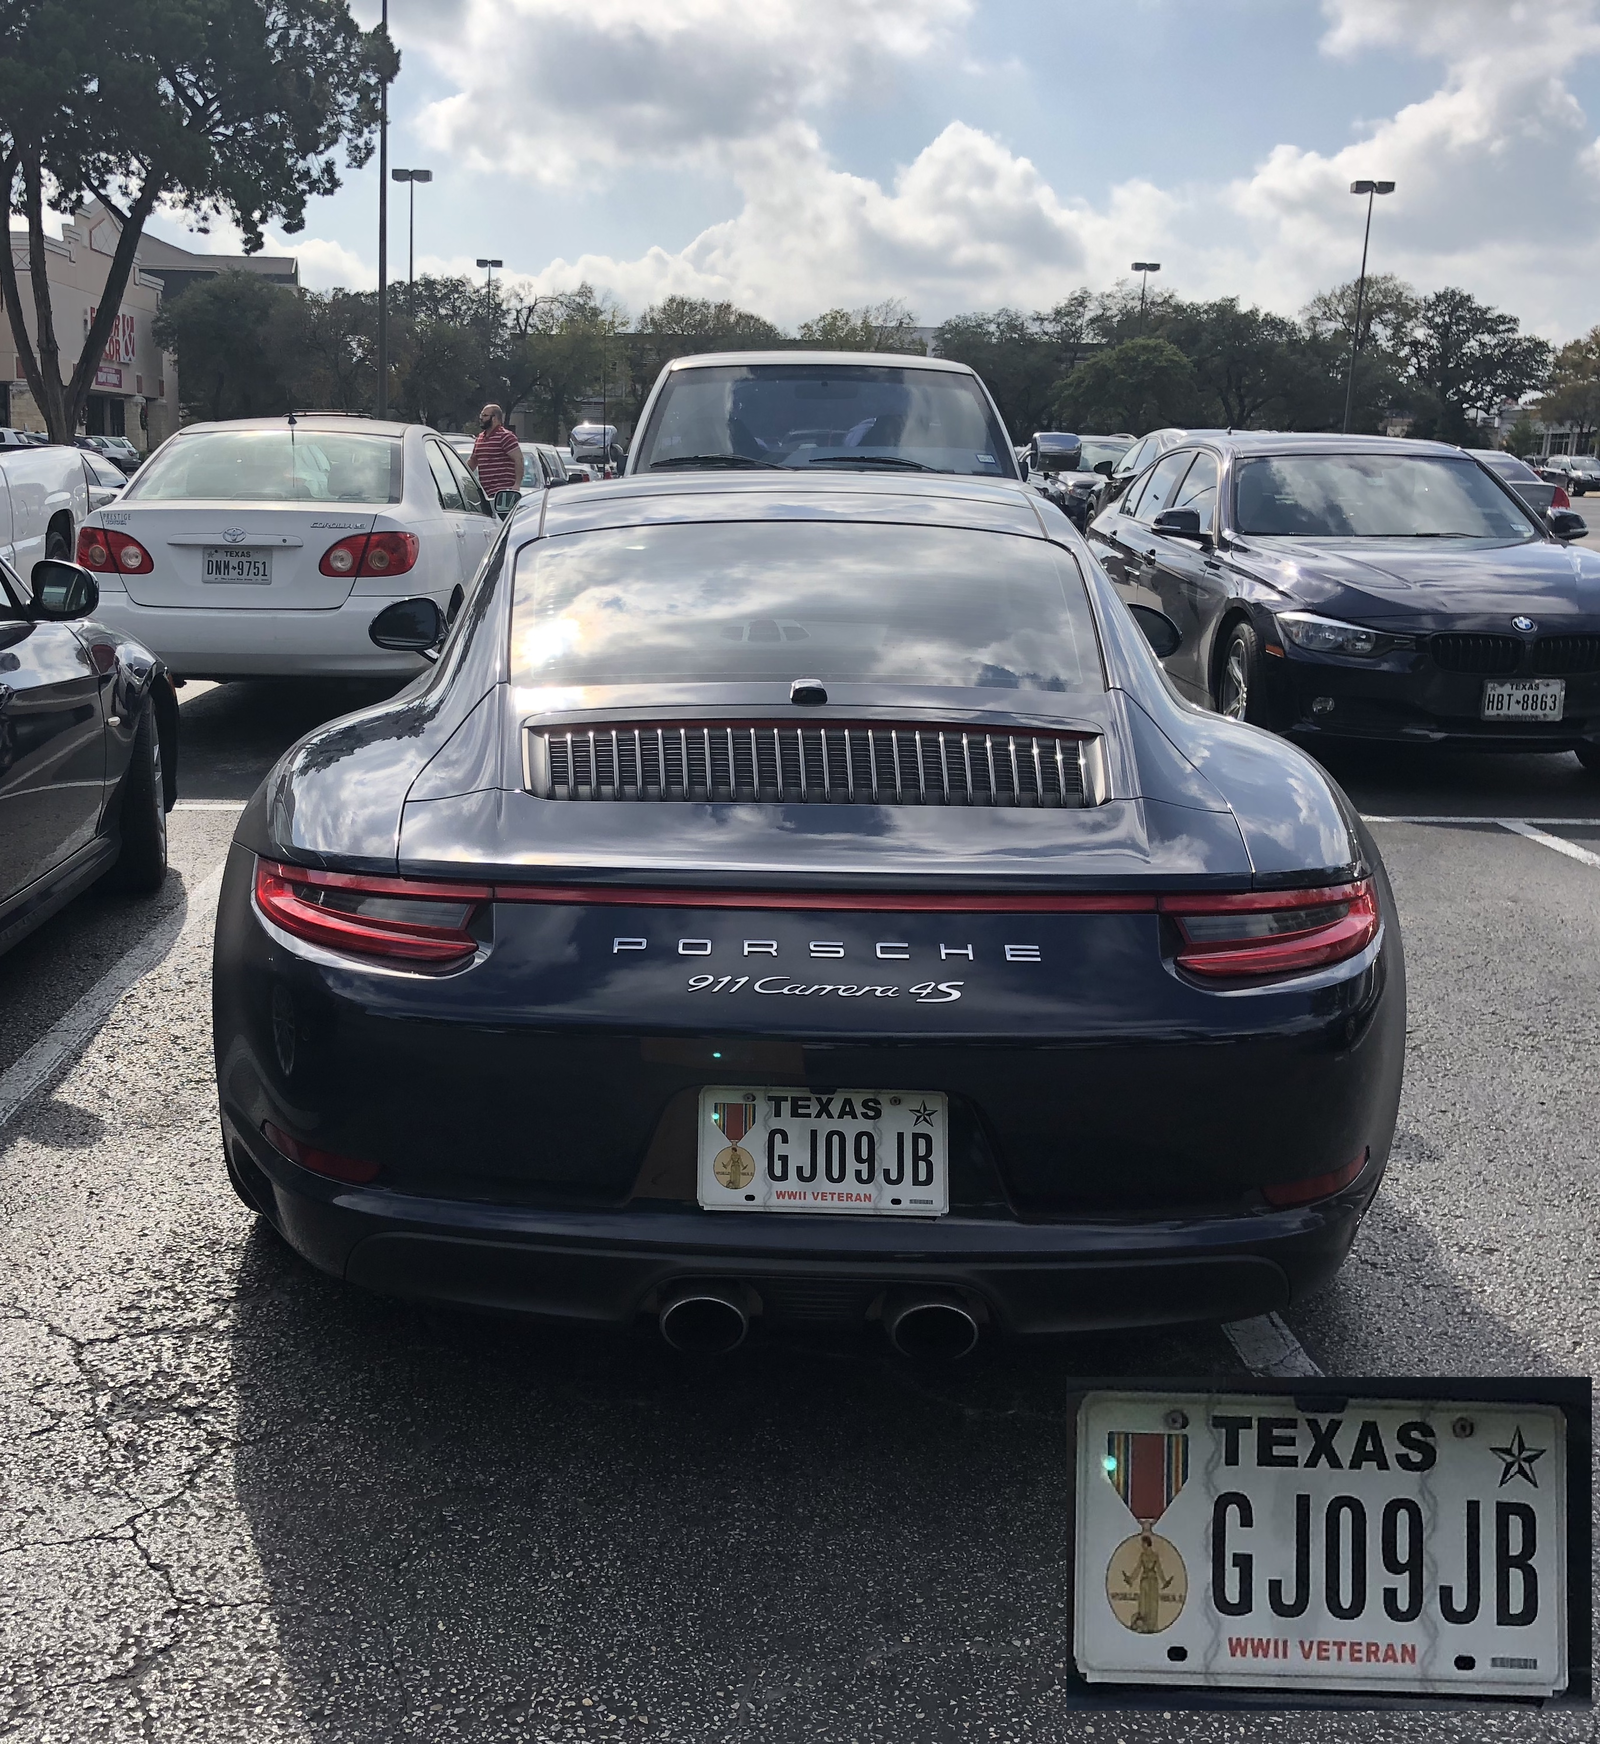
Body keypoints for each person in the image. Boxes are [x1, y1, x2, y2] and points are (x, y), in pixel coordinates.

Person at [470, 404, 521, 497]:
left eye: (485, 416)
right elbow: (473, 461)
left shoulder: (506, 436)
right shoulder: (480, 438)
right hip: (485, 494)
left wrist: (517, 485)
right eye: (481, 415)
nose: (481, 418)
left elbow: (519, 459)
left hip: (502, 493)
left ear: (495, 418)